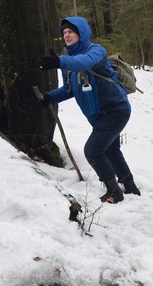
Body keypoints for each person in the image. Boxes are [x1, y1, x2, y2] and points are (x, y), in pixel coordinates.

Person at [38, 17, 139, 203]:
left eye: (71, 31)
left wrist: (60, 61)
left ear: (81, 33)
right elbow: (69, 89)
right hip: (100, 116)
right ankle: (131, 187)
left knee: (93, 151)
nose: (66, 35)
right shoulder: (68, 64)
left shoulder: (96, 51)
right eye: (64, 33)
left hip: (115, 110)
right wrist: (50, 97)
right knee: (110, 150)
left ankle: (114, 191)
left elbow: (85, 62)